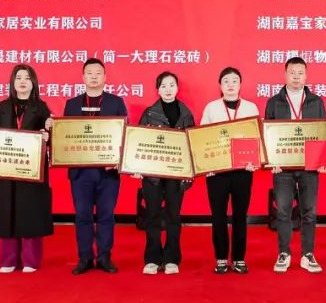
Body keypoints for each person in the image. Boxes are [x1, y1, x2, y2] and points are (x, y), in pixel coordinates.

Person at [57, 58, 128, 274]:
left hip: (108, 173)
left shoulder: (116, 102)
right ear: (83, 77)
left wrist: (117, 160)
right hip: (81, 173)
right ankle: (85, 257)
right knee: (82, 215)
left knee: (107, 215)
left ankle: (104, 257)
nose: (94, 77)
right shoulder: (72, 104)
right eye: (90, 73)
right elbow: (65, 136)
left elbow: (125, 134)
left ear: (105, 77)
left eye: (98, 73)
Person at [0, 64, 52, 273]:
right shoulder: (3, 107)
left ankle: (31, 259)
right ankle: (8, 259)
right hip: (6, 167)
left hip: (32, 170)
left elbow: (52, 138)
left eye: (27, 77)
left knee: (30, 210)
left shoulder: (41, 107)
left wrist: (47, 135)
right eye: (18, 77)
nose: (22, 81)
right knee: (8, 209)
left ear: (33, 83)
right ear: (12, 83)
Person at [264, 57, 326, 273]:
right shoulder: (274, 102)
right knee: (283, 211)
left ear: (306, 76)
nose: (296, 77)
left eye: (300, 73)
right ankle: (284, 253)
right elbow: (268, 133)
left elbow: (322, 132)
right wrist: (271, 161)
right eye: (292, 72)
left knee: (310, 211)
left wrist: (322, 161)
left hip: (309, 166)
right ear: (285, 75)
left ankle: (307, 254)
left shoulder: (316, 102)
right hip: (283, 167)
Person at [200, 67, 260, 274]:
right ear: (220, 85)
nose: (231, 84)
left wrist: (255, 160)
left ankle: (239, 258)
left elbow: (257, 137)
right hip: (217, 172)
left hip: (243, 171)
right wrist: (205, 165)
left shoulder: (251, 107)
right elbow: (202, 138)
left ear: (240, 84)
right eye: (226, 81)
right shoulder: (211, 108)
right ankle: (220, 258)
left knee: (240, 215)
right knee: (218, 215)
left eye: (235, 80)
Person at [135, 72, 196, 275]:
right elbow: (139, 141)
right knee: (152, 215)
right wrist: (137, 166)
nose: (168, 89)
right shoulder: (149, 113)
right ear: (157, 90)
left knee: (173, 216)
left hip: (176, 174)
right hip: (152, 174)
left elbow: (192, 145)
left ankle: (171, 258)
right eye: (163, 86)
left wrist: (190, 172)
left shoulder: (186, 114)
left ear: (177, 88)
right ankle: (152, 258)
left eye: (171, 85)